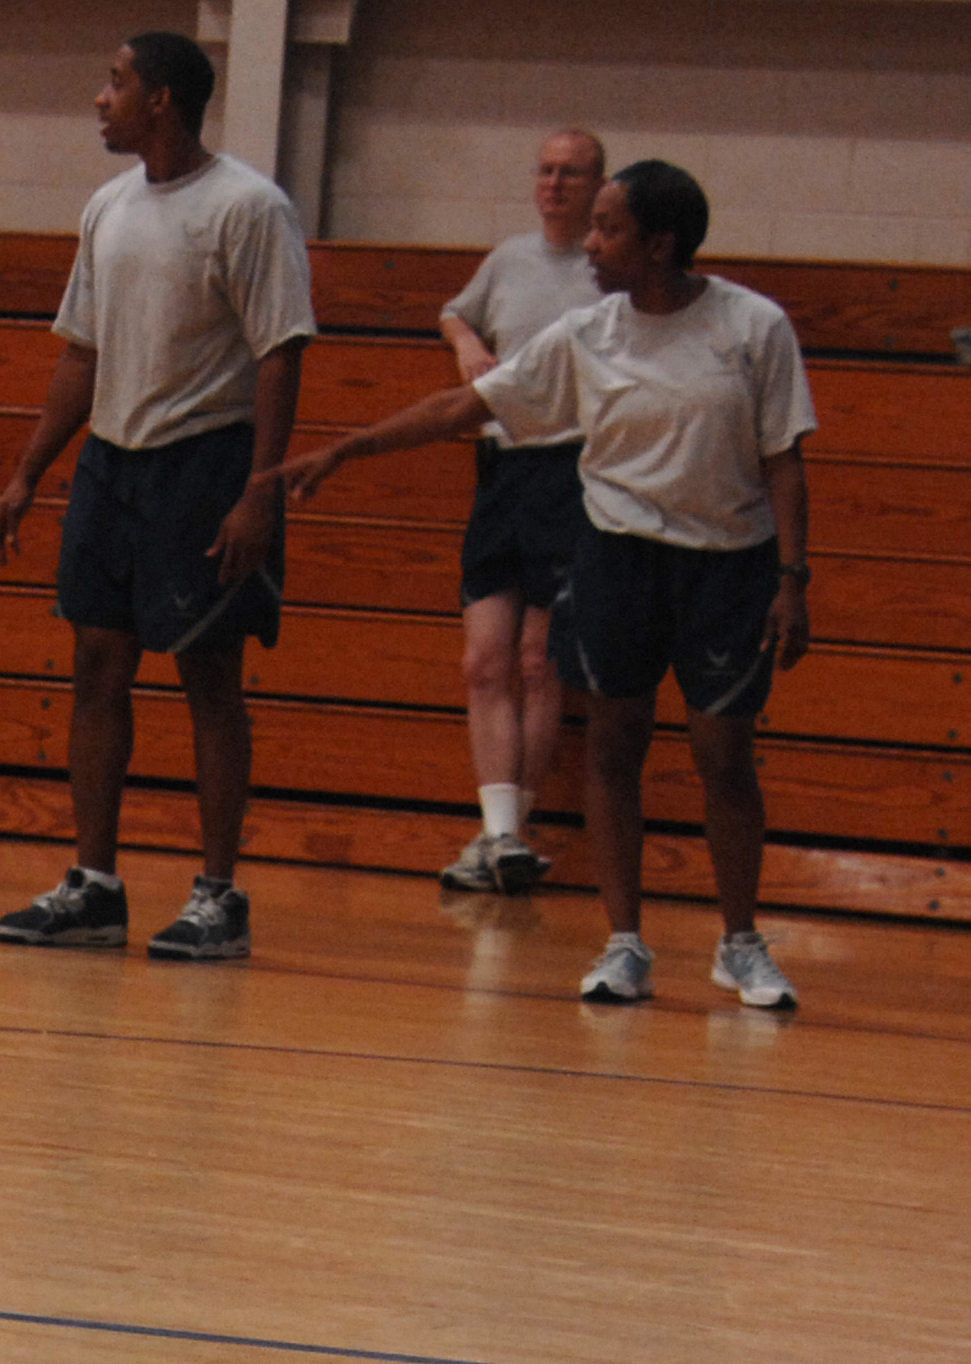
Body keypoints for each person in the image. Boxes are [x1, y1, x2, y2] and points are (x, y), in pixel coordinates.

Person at [283, 159, 813, 1013]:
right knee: (613, 745)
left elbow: (785, 457)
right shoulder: (586, 333)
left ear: (662, 243)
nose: (592, 245)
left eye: (609, 229)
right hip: (615, 557)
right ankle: (625, 943)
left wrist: (792, 577)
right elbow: (467, 408)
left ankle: (741, 942)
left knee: (723, 753)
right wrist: (348, 448)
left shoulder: (753, 328)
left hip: (728, 565)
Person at [0, 31, 314, 961]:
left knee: (209, 675)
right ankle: (94, 884)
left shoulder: (250, 207)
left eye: (116, 82)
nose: (101, 97)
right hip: (112, 463)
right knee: (96, 662)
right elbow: (81, 352)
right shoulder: (108, 207)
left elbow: (281, 352)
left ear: (162, 98)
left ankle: (219, 896)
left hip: (205, 464)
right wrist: (28, 470)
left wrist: (261, 490)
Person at [433, 128, 602, 895]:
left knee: (539, 663)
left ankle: (514, 833)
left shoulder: (610, 273)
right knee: (484, 660)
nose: (555, 184)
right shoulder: (507, 259)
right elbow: (452, 311)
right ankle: (497, 835)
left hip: (574, 474)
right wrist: (465, 341)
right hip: (502, 470)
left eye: (572, 173)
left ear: (599, 185)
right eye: (545, 170)